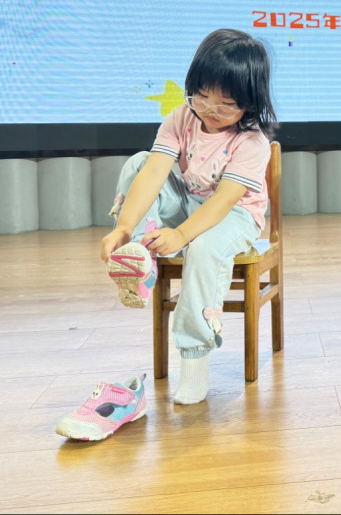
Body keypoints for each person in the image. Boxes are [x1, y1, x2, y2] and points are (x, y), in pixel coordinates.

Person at [56, 28, 277, 440]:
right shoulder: (181, 117)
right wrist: (124, 227)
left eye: (226, 104)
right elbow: (155, 172)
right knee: (140, 161)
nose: (210, 110)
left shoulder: (252, 142)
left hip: (235, 215)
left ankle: (194, 359)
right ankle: (141, 256)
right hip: (188, 202)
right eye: (201, 96)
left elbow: (223, 202)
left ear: (251, 101)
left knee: (204, 247)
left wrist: (183, 236)